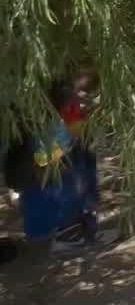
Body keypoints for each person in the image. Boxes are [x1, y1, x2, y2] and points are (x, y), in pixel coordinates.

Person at [4, 75, 115, 255]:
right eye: (81, 92)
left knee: (81, 156)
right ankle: (67, 235)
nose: (85, 98)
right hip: (39, 168)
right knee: (66, 168)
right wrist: (69, 137)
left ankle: (82, 226)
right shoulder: (40, 115)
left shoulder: (65, 112)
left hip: (52, 147)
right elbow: (43, 159)